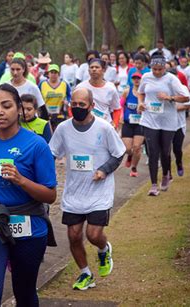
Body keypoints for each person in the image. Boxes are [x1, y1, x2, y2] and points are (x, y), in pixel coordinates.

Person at [0, 83, 57, 306]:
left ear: (18, 108)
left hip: (29, 225)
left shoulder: (37, 145)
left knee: (24, 293)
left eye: (6, 106)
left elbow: (50, 195)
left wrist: (21, 180)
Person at [49, 87, 126, 290]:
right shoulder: (63, 129)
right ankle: (85, 274)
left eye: (82, 105)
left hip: (99, 191)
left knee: (93, 235)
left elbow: (119, 153)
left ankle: (103, 248)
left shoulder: (104, 128)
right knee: (73, 236)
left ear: (92, 106)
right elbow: (51, 154)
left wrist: (104, 170)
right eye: (74, 104)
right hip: (74, 192)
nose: (77, 108)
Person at [137, 55, 190, 196]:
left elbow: (186, 97)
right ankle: (153, 184)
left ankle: (166, 174)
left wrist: (170, 98)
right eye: (154, 69)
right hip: (149, 119)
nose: (157, 72)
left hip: (168, 121)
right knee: (152, 152)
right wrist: (140, 103)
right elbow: (141, 93)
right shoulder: (146, 77)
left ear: (165, 67)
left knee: (165, 152)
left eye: (160, 69)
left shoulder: (172, 79)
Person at [75, 58, 121, 127]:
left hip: (105, 125)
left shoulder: (111, 88)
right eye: (91, 67)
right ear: (88, 70)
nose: (94, 69)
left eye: (97, 67)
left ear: (103, 70)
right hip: (85, 125)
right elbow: (71, 106)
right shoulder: (80, 87)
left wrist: (115, 124)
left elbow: (117, 109)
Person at [120, 72, 145, 177]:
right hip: (127, 123)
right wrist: (121, 115)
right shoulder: (127, 91)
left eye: (138, 78)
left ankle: (134, 168)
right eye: (134, 78)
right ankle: (130, 156)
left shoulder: (145, 93)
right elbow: (120, 105)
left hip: (140, 123)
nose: (136, 80)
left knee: (137, 147)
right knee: (127, 149)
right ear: (132, 80)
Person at [39, 64, 71, 130]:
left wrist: (67, 101)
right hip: (46, 113)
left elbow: (70, 95)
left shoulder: (64, 84)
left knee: (59, 133)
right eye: (51, 72)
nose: (53, 74)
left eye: (55, 72)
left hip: (60, 114)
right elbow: (37, 96)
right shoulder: (42, 84)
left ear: (58, 74)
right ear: (48, 74)